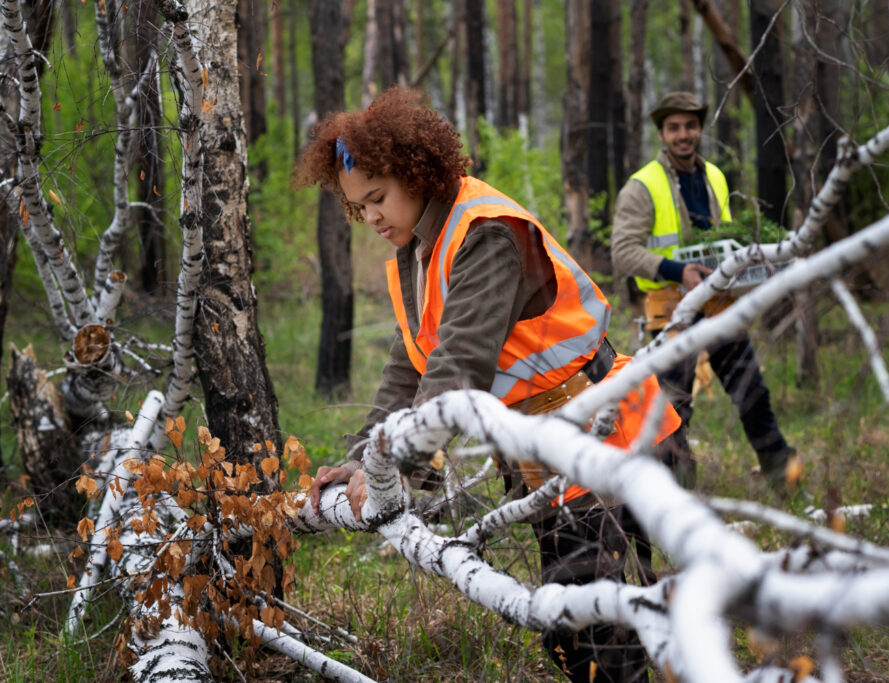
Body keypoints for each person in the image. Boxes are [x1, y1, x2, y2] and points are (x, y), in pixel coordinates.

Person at [293, 86, 684, 683]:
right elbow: (411, 365)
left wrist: (397, 466)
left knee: (587, 635)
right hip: (550, 452)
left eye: (377, 198)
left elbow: (458, 366)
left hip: (607, 433)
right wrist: (363, 460)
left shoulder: (484, 233)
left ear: (415, 172)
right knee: (574, 633)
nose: (370, 217)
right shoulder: (418, 248)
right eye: (357, 207)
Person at [611, 91, 796, 486]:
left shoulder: (714, 176)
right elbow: (623, 252)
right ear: (662, 133)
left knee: (751, 389)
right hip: (671, 308)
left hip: (717, 302)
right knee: (673, 407)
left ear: (700, 129)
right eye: (674, 127)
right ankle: (676, 491)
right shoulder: (642, 186)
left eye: (691, 126)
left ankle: (781, 473)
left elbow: (724, 238)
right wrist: (679, 271)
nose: (684, 135)